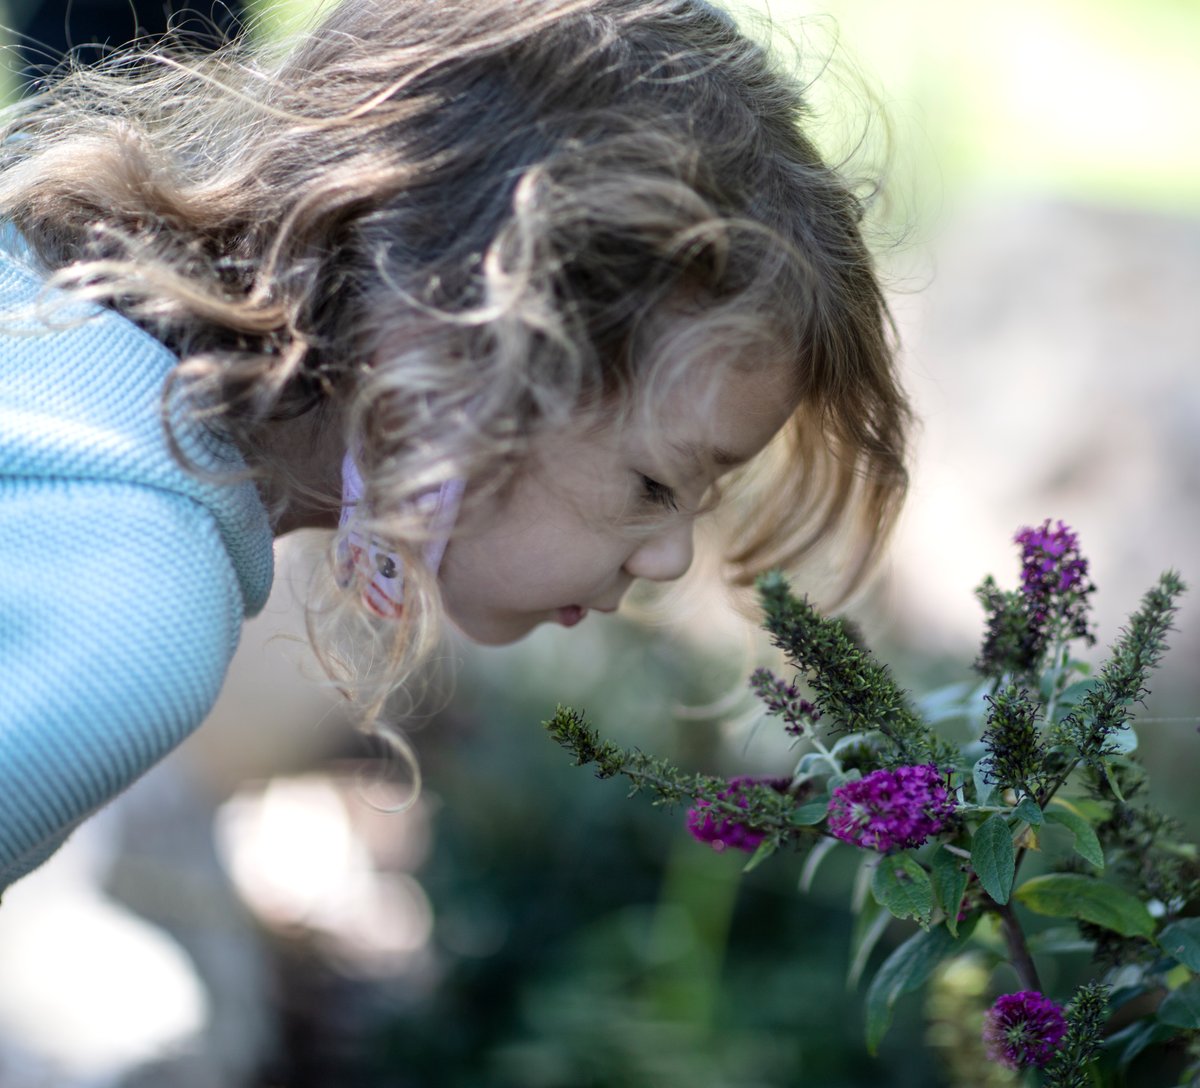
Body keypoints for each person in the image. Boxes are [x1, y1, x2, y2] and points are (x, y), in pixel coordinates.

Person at [0, 0, 911, 892]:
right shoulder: (135, 621)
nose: (671, 557)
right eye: (656, 483)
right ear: (447, 355)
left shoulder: (48, 306)